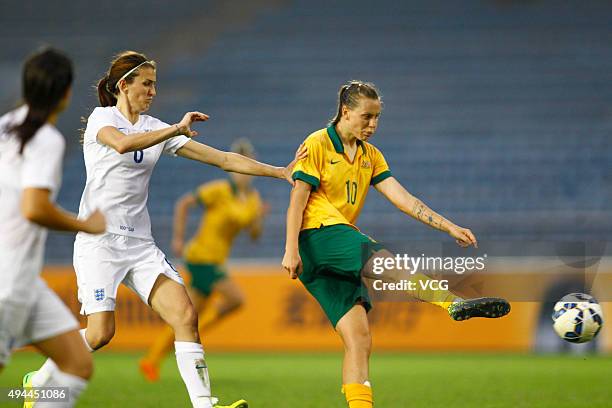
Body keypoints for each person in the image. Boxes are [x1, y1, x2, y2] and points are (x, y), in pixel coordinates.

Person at [29, 50, 304, 408]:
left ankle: (205, 405)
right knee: (100, 335)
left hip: (140, 245)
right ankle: (39, 380)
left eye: (155, 84)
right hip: (100, 243)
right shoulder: (103, 119)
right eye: (147, 84)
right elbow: (123, 144)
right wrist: (174, 128)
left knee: (186, 315)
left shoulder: (155, 127)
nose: (153, 91)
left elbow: (222, 158)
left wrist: (279, 171)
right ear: (124, 86)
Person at [282, 80, 510, 408]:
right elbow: (297, 199)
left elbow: (404, 199)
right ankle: (451, 303)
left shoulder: (370, 156)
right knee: (387, 263)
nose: (373, 125)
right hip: (319, 237)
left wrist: (449, 226)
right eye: (366, 117)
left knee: (359, 339)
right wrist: (290, 249)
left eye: (377, 118)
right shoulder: (318, 143)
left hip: (326, 256)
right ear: (346, 112)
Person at [0, 48, 106, 408]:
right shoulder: (46, 139)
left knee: (77, 363)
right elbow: (34, 208)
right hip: (8, 281)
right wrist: (85, 225)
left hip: (25, 282)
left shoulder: (4, 126)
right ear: (66, 92)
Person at [139, 138, 266, 382]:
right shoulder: (220, 190)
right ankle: (193, 338)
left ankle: (151, 360)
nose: (243, 173)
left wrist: (259, 218)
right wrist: (178, 237)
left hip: (216, 259)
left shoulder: (252, 199)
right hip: (201, 256)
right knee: (235, 299)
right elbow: (184, 203)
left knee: (187, 316)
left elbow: (254, 235)